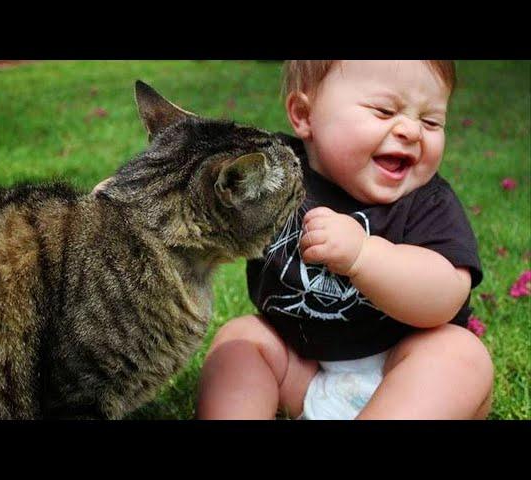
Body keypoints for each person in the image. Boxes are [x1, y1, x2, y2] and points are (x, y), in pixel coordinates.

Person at [196, 60, 494, 420]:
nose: (412, 131)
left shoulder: (428, 202)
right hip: (301, 367)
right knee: (241, 340)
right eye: (385, 111)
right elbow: (201, 195)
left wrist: (363, 256)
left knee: (459, 354)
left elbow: (446, 295)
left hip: (402, 371)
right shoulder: (274, 173)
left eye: (431, 121)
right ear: (304, 115)